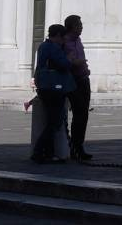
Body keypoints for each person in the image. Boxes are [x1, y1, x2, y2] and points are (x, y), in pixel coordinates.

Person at [30, 24, 74, 164]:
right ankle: (39, 151)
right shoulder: (54, 48)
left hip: (44, 86)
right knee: (54, 121)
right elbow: (63, 64)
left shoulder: (43, 46)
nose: (64, 41)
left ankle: (48, 153)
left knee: (51, 120)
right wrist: (70, 59)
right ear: (58, 36)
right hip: (54, 87)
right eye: (63, 37)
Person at [63, 14, 92, 162]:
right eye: (78, 24)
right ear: (71, 26)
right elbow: (68, 62)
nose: (81, 27)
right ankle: (75, 148)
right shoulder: (65, 42)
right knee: (79, 113)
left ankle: (79, 146)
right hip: (73, 81)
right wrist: (77, 62)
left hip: (84, 79)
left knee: (84, 114)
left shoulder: (78, 40)